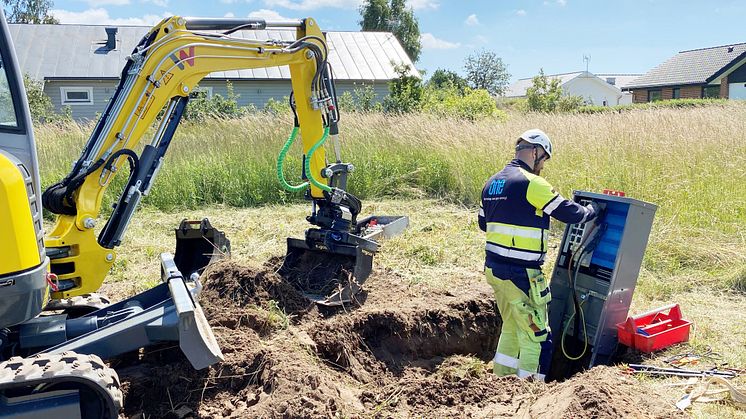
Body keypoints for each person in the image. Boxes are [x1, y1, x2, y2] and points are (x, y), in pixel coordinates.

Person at [478, 128, 600, 381]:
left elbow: (483, 223)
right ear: (536, 152)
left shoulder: (491, 183)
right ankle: (529, 390)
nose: (543, 166)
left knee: (512, 326)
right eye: (544, 160)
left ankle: (503, 380)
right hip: (520, 273)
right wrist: (592, 210)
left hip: (494, 270)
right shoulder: (532, 183)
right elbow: (568, 212)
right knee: (537, 336)